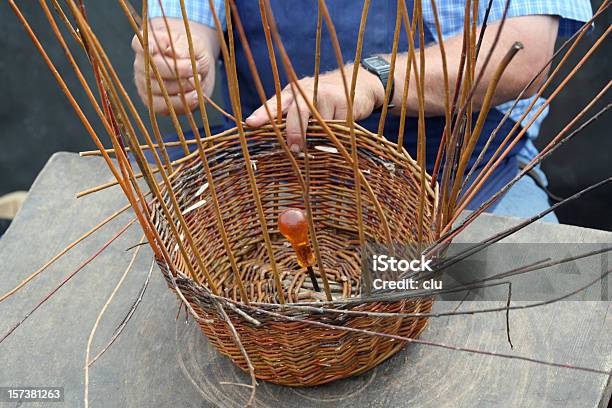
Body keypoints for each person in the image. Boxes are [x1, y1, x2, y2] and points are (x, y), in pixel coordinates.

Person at [133, 0, 592, 222]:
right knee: (148, 270)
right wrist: (175, 66)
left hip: (458, 176)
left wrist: (372, 80)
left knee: (527, 292)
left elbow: (523, 54)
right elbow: (184, 30)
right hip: (274, 166)